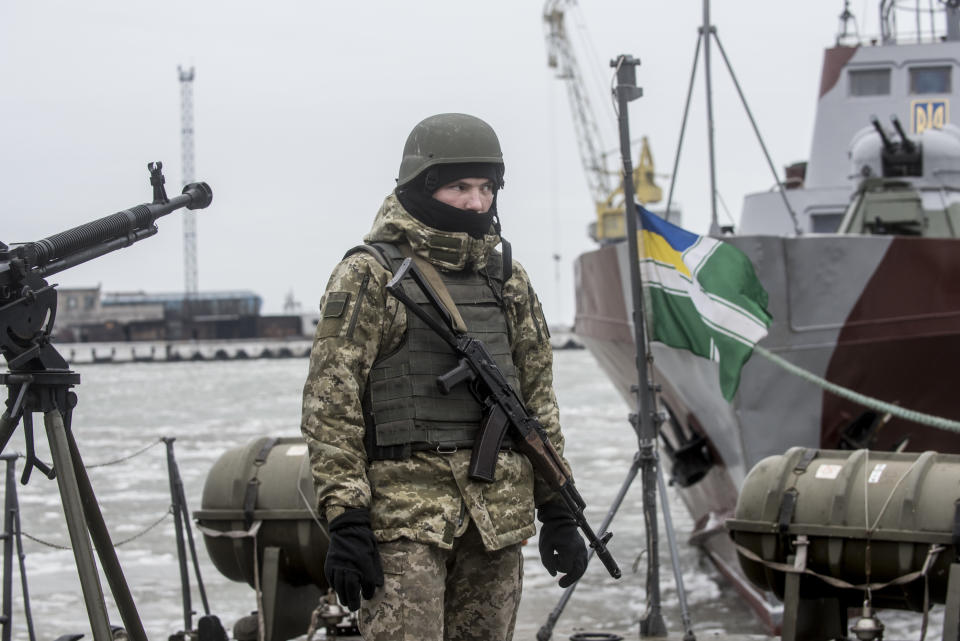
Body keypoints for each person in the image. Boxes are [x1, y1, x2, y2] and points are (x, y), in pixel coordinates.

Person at [300, 113, 587, 641]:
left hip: (497, 522)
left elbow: (537, 402)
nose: (477, 203)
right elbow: (330, 406)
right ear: (422, 186)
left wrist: (558, 507)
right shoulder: (371, 274)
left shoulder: (506, 278)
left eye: (486, 188)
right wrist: (346, 518)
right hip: (406, 521)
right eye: (460, 187)